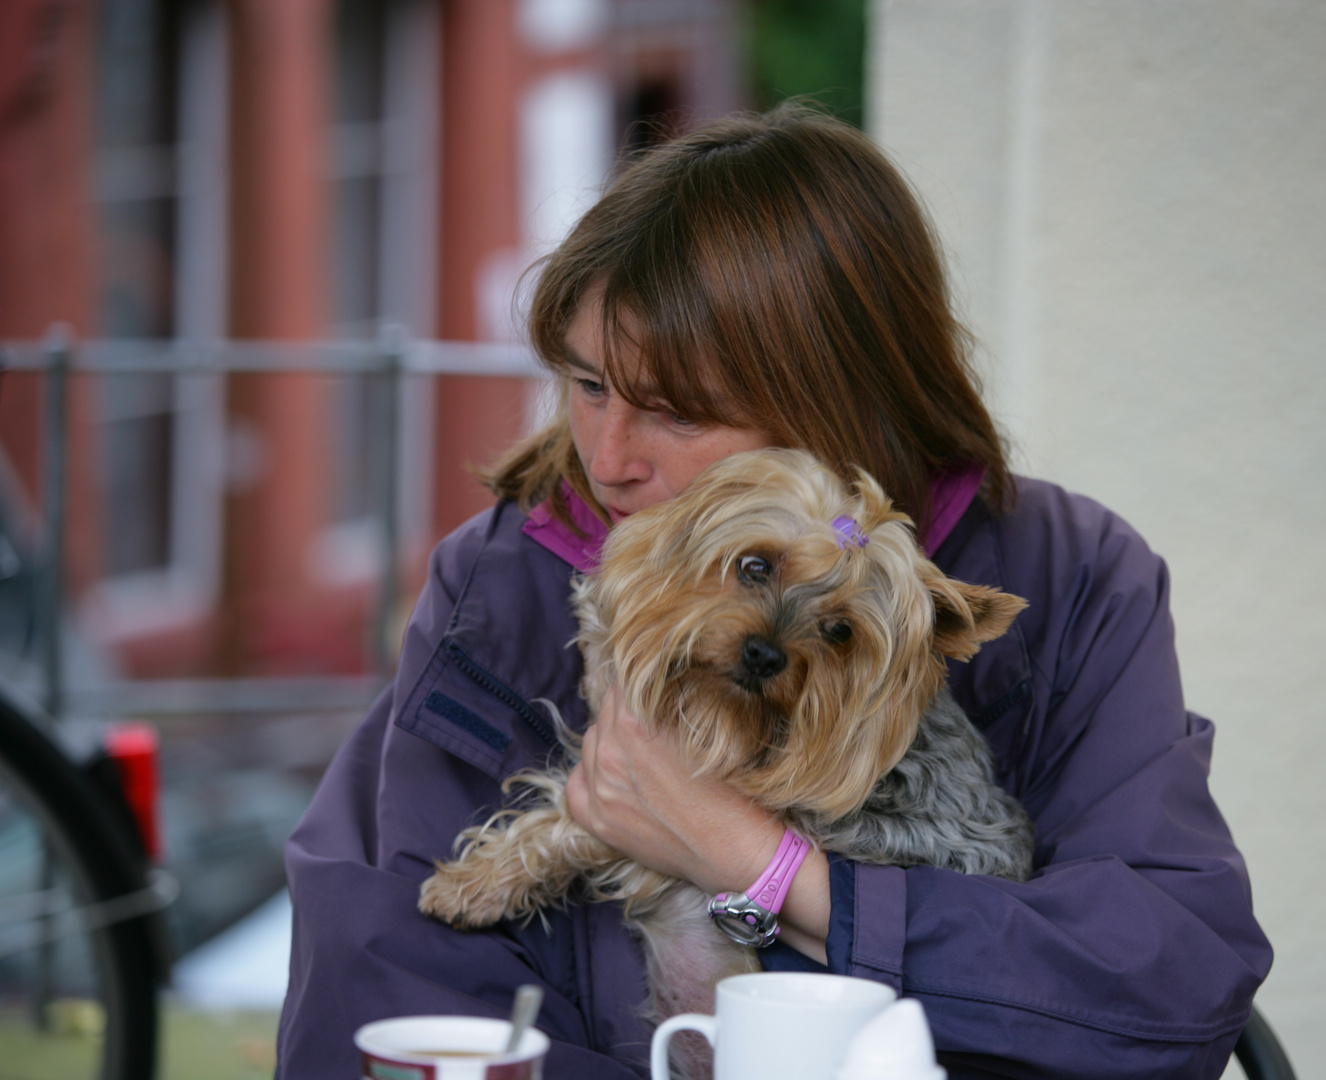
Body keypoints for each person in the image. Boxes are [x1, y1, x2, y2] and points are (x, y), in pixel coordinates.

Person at [275, 105, 1271, 1080]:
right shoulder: (502, 581)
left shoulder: (1071, 577)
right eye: (587, 387)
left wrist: (771, 869)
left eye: (676, 414)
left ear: (836, 399)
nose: (609, 461)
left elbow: (1165, 983)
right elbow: (386, 984)